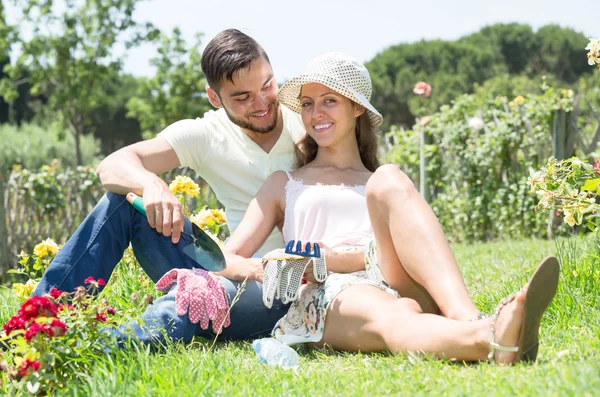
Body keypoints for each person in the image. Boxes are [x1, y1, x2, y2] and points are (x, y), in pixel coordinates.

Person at [223, 52, 559, 364]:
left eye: (329, 101)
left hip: (389, 273)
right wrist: (277, 266)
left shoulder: (380, 184)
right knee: (395, 313)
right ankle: (490, 337)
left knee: (388, 176)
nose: (316, 114)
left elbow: (404, 252)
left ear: (356, 108)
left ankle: (468, 317)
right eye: (308, 104)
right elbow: (223, 258)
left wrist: (336, 256)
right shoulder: (284, 183)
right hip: (335, 291)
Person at [33, 29, 306, 342]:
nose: (261, 103)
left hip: (281, 280)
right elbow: (111, 166)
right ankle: (37, 323)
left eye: (267, 85)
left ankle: (107, 344)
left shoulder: (307, 120)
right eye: (242, 97)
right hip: (224, 265)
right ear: (215, 98)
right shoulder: (206, 134)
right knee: (122, 201)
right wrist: (151, 184)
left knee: (211, 289)